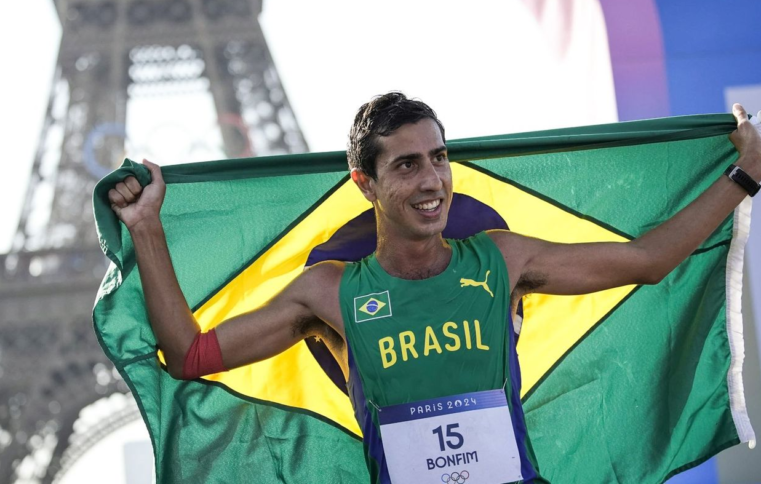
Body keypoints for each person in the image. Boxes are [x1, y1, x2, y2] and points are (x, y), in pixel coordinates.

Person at [108, 93, 761, 484]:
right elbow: (189, 354)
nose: (432, 181)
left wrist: (743, 177)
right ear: (364, 183)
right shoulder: (329, 293)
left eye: (439, 158)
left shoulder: (499, 259)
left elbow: (646, 260)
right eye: (407, 165)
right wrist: (146, 230)